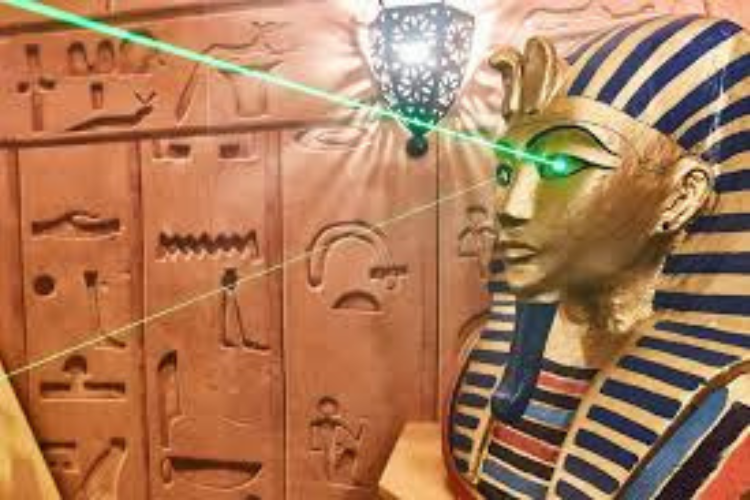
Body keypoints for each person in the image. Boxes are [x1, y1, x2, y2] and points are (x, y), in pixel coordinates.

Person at [445, 15, 750, 499]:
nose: (511, 207)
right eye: (507, 171)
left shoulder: (732, 417)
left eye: (563, 164)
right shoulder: (474, 362)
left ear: (680, 197)